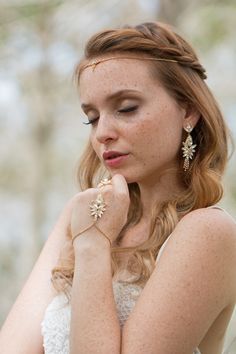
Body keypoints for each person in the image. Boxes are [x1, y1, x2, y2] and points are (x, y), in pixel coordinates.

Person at [0, 21, 236, 354]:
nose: (102, 133)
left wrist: (94, 246)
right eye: (92, 117)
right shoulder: (81, 213)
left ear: (189, 111)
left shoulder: (208, 231)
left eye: (126, 108)